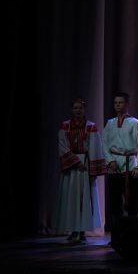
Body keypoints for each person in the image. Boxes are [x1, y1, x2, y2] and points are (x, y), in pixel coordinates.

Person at [54, 98, 106, 244]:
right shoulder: (65, 126)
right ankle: (73, 230)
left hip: (85, 165)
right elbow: (62, 145)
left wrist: (91, 169)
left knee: (84, 198)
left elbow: (95, 147)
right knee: (71, 198)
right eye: (75, 108)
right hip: (71, 167)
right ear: (72, 109)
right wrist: (75, 162)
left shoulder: (90, 127)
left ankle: (82, 231)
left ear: (84, 110)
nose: (78, 110)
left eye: (80, 108)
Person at [102, 91, 138, 232]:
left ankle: (132, 234)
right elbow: (104, 143)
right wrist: (110, 161)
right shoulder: (110, 123)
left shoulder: (135, 123)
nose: (118, 105)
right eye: (116, 103)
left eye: (120, 102)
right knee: (115, 203)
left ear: (127, 104)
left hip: (130, 165)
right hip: (114, 166)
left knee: (132, 202)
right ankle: (117, 235)